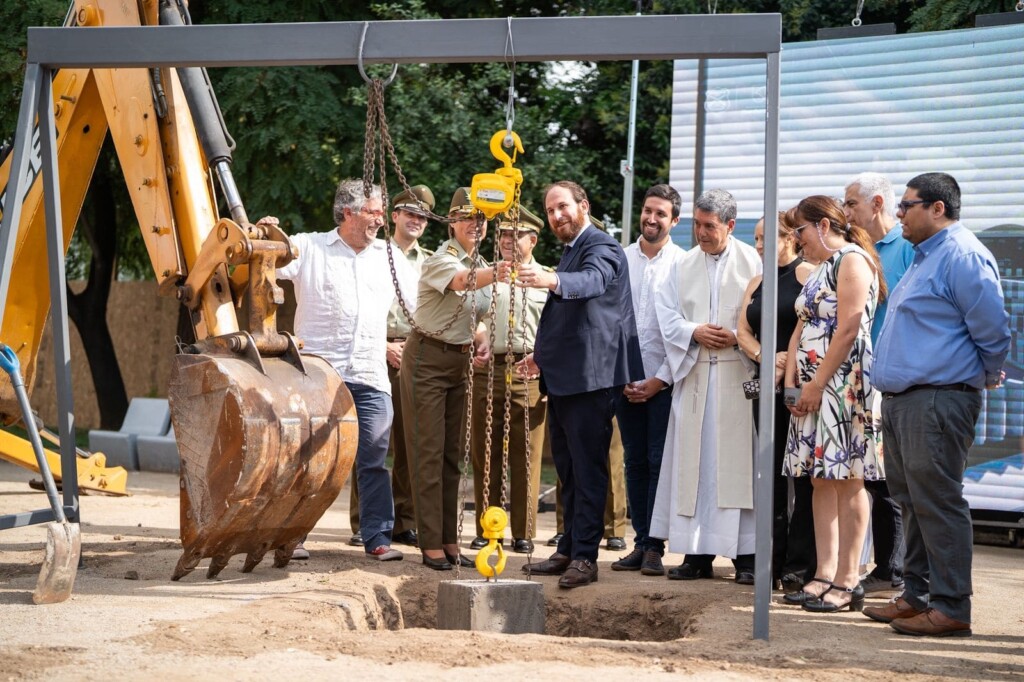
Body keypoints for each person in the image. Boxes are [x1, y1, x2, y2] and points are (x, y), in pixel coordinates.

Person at [865, 172, 1009, 637]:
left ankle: (951, 608)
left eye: (906, 206)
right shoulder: (926, 258)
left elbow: (993, 329)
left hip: (937, 400)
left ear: (938, 208)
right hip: (907, 402)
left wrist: (981, 376)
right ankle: (917, 596)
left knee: (938, 502)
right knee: (911, 501)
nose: (899, 213)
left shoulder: (963, 256)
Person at [276, 178, 417, 563]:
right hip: (318, 376)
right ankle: (292, 536)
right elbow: (266, 260)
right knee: (308, 457)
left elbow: (423, 300)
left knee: (373, 455)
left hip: (371, 374)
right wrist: (265, 234)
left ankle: (377, 538)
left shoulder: (388, 256)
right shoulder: (309, 247)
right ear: (350, 212)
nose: (380, 221)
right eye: (374, 212)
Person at [517, 180, 643, 588]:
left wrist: (551, 280)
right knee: (568, 471)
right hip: (566, 378)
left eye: (562, 207)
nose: (556, 216)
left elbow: (591, 282)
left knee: (587, 471)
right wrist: (541, 356)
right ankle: (568, 549)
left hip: (591, 380)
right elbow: (576, 319)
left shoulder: (602, 246)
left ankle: (586, 558)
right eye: (551, 210)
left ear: (583, 205)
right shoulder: (572, 250)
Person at [649, 188, 762, 583]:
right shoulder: (681, 266)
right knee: (693, 467)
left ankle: (745, 556)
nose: (701, 232)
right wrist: (693, 330)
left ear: (730, 225)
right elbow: (665, 315)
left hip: (736, 372)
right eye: (697, 224)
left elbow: (764, 316)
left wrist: (736, 334)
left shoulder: (754, 260)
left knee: (738, 467)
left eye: (709, 226)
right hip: (696, 373)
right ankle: (696, 553)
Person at [782, 195, 886, 613]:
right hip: (810, 386)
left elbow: (847, 330)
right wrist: (792, 380)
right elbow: (803, 323)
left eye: (800, 231)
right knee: (819, 478)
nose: (797, 239)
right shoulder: (821, 267)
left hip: (842, 385)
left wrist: (816, 383)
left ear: (824, 226)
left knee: (849, 479)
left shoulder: (852, 261)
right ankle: (823, 573)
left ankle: (848, 579)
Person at [401, 188, 506, 571]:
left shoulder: (480, 260)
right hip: (428, 359)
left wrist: (479, 339)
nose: (474, 225)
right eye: (466, 218)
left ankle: (449, 538)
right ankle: (430, 542)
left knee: (451, 457)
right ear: (451, 222)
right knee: (427, 452)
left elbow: (473, 314)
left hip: (459, 363)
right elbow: (462, 282)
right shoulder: (441, 260)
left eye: (480, 219)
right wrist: (500, 270)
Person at [349, 184, 434, 549]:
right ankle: (362, 522)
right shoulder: (371, 253)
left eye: (423, 216)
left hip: (414, 356)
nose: (416, 220)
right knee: (369, 442)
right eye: (409, 213)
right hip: (373, 351)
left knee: (410, 443)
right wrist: (383, 346)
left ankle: (405, 521)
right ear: (394, 216)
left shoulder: (430, 261)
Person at [843, 172, 915, 597]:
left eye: (851, 203)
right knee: (871, 476)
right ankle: (888, 566)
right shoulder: (856, 251)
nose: (845, 210)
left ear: (875, 203)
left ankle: (894, 570)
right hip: (862, 379)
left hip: (894, 377)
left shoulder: (907, 249)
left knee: (889, 480)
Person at [736, 211, 815, 591]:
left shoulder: (808, 275)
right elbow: (742, 330)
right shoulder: (756, 282)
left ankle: (800, 565)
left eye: (766, 237)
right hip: (762, 387)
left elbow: (816, 326)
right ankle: (773, 560)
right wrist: (766, 356)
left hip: (795, 389)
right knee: (770, 476)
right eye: (755, 238)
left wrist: (789, 358)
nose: (759, 245)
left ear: (790, 238)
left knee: (798, 476)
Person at [610, 184, 686, 577]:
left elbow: (684, 332)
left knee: (659, 464)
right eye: (647, 211)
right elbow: (610, 321)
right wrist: (621, 375)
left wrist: (660, 379)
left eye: (661, 214)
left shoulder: (683, 264)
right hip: (624, 381)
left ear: (674, 220)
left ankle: (656, 545)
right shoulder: (620, 259)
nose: (651, 219)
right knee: (633, 463)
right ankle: (640, 542)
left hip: (665, 384)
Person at [469, 207, 549, 555]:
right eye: (502, 235)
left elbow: (555, 331)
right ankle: (488, 529)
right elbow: (473, 315)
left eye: (514, 235)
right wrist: (481, 335)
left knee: (525, 455)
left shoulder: (547, 279)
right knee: (484, 454)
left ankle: (523, 532)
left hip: (529, 370)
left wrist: (545, 364)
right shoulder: (488, 276)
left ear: (532, 240)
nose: (506, 241)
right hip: (490, 369)